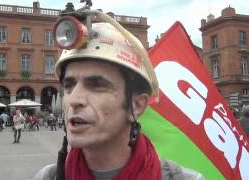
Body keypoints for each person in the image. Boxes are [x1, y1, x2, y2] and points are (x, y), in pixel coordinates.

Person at [35, 2, 204, 180]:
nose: (74, 99)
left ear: (137, 105)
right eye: (69, 86)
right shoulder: (47, 177)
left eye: (96, 85)